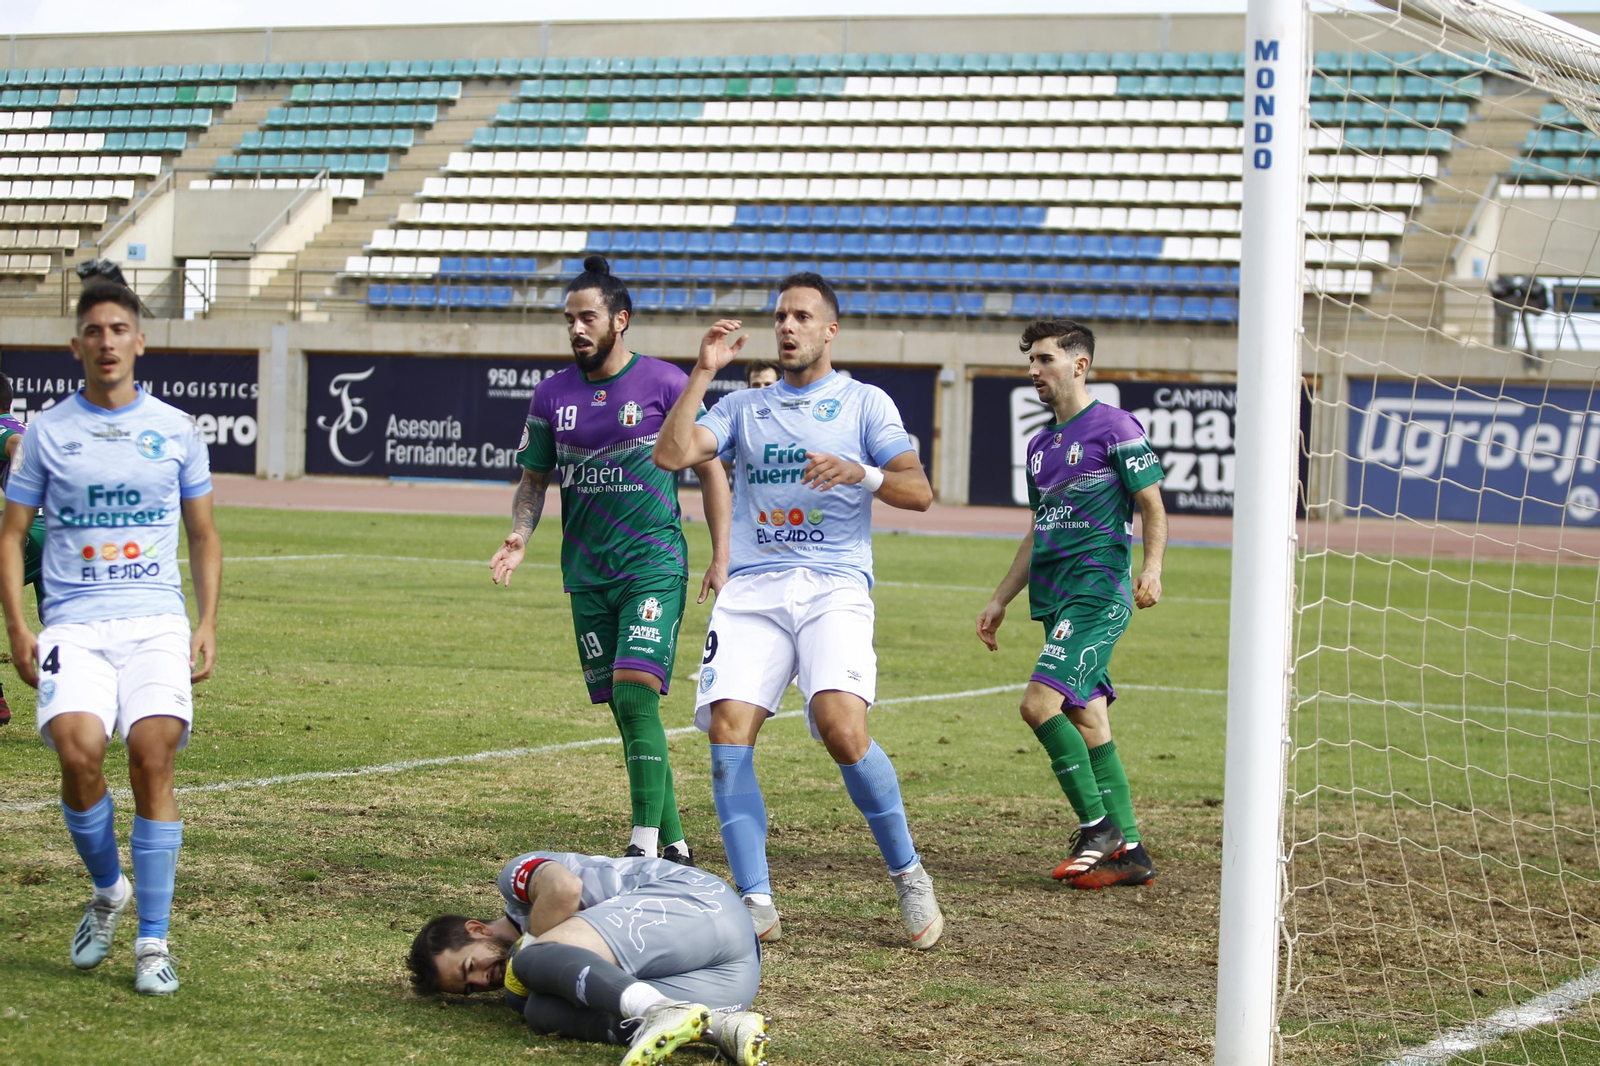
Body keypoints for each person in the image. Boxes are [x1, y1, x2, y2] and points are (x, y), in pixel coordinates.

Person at [652, 272, 944, 949]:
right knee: (727, 738)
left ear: (829, 330)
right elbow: (671, 453)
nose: (788, 326)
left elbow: (919, 490)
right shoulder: (744, 407)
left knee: (840, 725)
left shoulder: (865, 404)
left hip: (834, 584)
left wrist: (859, 472)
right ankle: (757, 901)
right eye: (781, 316)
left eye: (802, 317)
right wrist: (701, 372)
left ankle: (908, 873)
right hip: (754, 588)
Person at [0, 282, 223, 994]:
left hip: (156, 617)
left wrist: (208, 620)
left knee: (152, 754)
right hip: (72, 621)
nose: (106, 342)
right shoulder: (45, 432)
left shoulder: (178, 429)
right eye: (93, 331)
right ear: (77, 346)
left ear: (140, 342)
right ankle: (108, 891)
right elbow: (10, 535)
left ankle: (152, 942)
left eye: (118, 329)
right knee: (79, 750)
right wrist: (18, 624)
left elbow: (205, 534)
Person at [491, 256, 731, 864]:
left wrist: (719, 555)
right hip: (586, 573)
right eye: (569, 319)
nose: (576, 328)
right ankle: (675, 843)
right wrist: (520, 535)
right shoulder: (551, 396)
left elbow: (711, 472)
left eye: (588, 317)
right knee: (629, 712)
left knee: (635, 696)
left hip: (652, 562)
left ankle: (643, 846)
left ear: (619, 320)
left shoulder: (666, 384)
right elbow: (533, 480)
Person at [975, 319, 1167, 889]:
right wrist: (1001, 598)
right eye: (1030, 362)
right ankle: (1130, 852)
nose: (1033, 371)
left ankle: (1097, 826)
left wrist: (1151, 568)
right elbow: (1038, 529)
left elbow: (1152, 506)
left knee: (1038, 706)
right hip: (1054, 599)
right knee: (1088, 716)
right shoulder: (1038, 447)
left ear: (1079, 365)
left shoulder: (1115, 427)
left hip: (1097, 591)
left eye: (1044, 360)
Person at [408, 850, 770, 1066]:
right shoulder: (536, 987)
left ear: (476, 929)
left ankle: (655, 1009)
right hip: (733, 979)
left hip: (697, 902)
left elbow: (565, 888)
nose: (480, 981)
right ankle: (722, 1030)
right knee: (540, 1011)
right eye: (469, 989)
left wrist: (530, 946)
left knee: (529, 963)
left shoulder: (515, 886)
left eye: (470, 967)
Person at [0, 372, 47, 726]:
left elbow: (16, 445)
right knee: (61, 621)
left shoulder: (7, 430)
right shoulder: (33, 425)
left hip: (33, 528)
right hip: (67, 531)